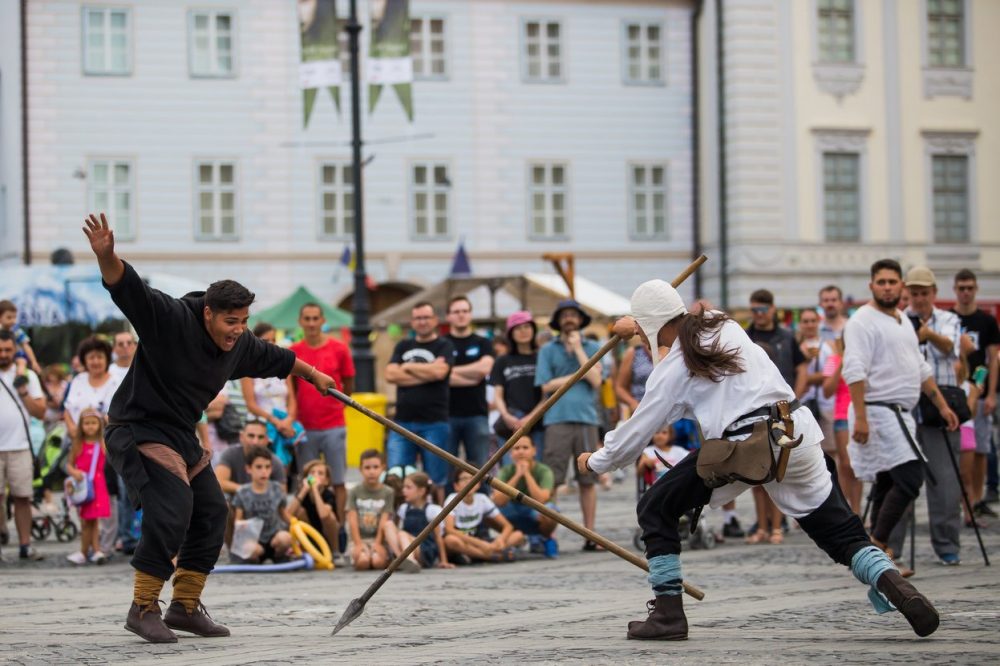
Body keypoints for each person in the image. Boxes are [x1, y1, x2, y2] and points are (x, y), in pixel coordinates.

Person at [579, 278, 941, 641]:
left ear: (651, 326)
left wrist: (595, 461)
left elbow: (636, 432)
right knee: (841, 533)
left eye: (643, 333)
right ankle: (898, 587)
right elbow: (687, 321)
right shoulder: (724, 324)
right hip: (795, 432)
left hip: (745, 447)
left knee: (656, 507)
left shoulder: (673, 370)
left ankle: (668, 614)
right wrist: (637, 324)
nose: (642, 341)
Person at [82, 212, 338, 643]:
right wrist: (108, 256)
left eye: (243, 321)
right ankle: (143, 607)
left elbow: (278, 358)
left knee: (212, 511)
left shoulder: (240, 344)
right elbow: (129, 289)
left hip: (180, 434)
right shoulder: (171, 318)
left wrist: (315, 376)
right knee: (172, 506)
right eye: (230, 322)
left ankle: (184, 606)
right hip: (136, 426)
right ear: (207, 314)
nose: (237, 331)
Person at [842, 259, 959, 571]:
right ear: (872, 285)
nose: (887, 287)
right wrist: (863, 417)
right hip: (878, 411)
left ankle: (878, 556)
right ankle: (878, 546)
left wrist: (942, 405)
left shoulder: (903, 321)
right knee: (910, 477)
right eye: (881, 282)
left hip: (901, 413)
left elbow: (920, 369)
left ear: (900, 286)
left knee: (885, 484)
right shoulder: (861, 321)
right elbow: (853, 369)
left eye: (892, 282)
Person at [891, 266, 963, 565]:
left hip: (940, 406)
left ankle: (946, 543)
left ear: (934, 293)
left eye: (924, 293)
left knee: (945, 481)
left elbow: (951, 348)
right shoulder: (896, 320)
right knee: (898, 478)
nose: (919, 299)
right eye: (915, 293)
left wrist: (926, 332)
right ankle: (890, 544)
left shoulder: (949, 319)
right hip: (905, 406)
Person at [535, 299, 602, 548]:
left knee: (588, 479)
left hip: (586, 418)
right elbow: (545, 385)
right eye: (565, 315)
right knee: (553, 479)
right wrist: (577, 375)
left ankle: (590, 535)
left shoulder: (593, 346)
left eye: (573, 314)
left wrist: (579, 352)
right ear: (558, 320)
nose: (569, 319)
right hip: (557, 418)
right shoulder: (547, 350)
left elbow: (596, 380)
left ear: (580, 319)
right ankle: (548, 533)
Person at [746, 290, 808, 545]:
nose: (758, 315)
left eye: (762, 310)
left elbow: (801, 369)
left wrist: (794, 401)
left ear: (772, 309)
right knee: (756, 473)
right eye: (754, 310)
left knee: (778, 471)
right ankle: (761, 526)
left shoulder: (786, 337)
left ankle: (777, 527)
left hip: (783, 409)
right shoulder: (745, 337)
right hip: (753, 411)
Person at [385, 302, 454, 503]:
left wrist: (406, 367)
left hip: (434, 422)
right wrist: (428, 372)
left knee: (436, 479)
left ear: (434, 320)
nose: (422, 322)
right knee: (397, 477)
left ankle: (438, 521)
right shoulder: (403, 345)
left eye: (426, 317)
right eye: (418, 318)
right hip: (402, 423)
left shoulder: (444, 345)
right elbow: (390, 374)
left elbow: (441, 372)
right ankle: (400, 522)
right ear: (412, 322)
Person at [291, 304, 354, 523]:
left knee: (337, 479)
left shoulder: (339, 348)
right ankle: (309, 525)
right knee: (307, 481)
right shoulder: (294, 350)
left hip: (334, 424)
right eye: (306, 318)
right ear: (300, 321)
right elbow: (292, 389)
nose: (311, 323)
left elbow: (348, 381)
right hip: (305, 425)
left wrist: (338, 406)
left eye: (315, 318)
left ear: (322, 320)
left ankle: (339, 527)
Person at [950, 269, 999, 515]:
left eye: (970, 287)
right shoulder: (949, 319)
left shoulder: (987, 321)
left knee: (981, 449)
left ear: (976, 289)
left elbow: (993, 359)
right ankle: (963, 500)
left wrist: (991, 394)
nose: (966, 292)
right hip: (953, 392)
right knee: (957, 453)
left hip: (978, 391)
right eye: (962, 288)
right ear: (955, 290)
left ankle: (976, 498)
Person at [0, 329, 46, 561]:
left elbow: (40, 411)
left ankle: (25, 545)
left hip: (19, 445)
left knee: (22, 497)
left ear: (15, 350)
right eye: (0, 350)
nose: (4, 354)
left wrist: (23, 390)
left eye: (8, 350)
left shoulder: (27, 375)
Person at [242, 322, 302, 471]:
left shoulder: (283, 367)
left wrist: (288, 420)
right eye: (266, 341)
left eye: (274, 340)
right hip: (261, 425)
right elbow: (251, 404)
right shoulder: (248, 368)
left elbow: (292, 399)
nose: (271, 344)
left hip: (284, 423)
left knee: (283, 469)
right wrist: (275, 421)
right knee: (261, 467)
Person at [445, 296, 494, 472]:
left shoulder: (483, 342)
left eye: (465, 311)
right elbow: (440, 375)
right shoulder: (442, 344)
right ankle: (451, 500)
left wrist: (451, 371)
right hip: (447, 414)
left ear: (471, 315)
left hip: (477, 414)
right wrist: (472, 377)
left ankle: (482, 499)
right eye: (456, 312)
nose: (461, 315)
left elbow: (485, 368)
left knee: (480, 468)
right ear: (448, 316)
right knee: (448, 468)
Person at [492, 436, 559, 558]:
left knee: (550, 511)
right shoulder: (505, 471)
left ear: (534, 450)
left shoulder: (544, 470)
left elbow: (541, 500)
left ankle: (546, 538)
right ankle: (514, 538)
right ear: (511, 453)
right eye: (516, 448)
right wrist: (517, 475)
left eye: (525, 447)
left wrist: (527, 474)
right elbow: (498, 500)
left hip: (535, 513)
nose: (521, 451)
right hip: (512, 512)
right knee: (488, 510)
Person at [490, 311, 544, 457]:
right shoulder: (502, 360)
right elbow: (498, 394)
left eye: (527, 326)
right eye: (518, 328)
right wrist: (506, 415)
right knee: (511, 469)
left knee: (536, 467)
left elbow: (547, 394)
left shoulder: (542, 357)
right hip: (512, 424)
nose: (523, 331)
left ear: (533, 329)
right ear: (511, 333)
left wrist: (531, 417)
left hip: (538, 423)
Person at [443, 467, 524, 563]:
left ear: (478, 484)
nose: (468, 482)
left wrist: (500, 540)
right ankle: (491, 556)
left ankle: (478, 555)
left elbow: (508, 526)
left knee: (518, 535)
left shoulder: (482, 499)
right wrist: (481, 544)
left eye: (472, 478)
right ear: (456, 485)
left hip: (479, 538)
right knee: (450, 540)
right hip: (464, 540)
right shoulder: (452, 499)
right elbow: (449, 530)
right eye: (464, 479)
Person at [231, 447, 294, 564]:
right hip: (254, 539)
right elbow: (238, 521)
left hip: (275, 537)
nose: (264, 471)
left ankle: (279, 556)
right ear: (248, 469)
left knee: (285, 538)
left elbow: (284, 514)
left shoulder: (277, 489)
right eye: (259, 467)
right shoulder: (242, 492)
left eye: (267, 467)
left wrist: (297, 526)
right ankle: (255, 561)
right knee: (250, 549)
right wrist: (242, 525)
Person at [65, 408, 111, 565]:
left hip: (97, 486)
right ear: (81, 425)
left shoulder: (102, 443)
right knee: (86, 521)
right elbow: (69, 464)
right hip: (84, 487)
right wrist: (74, 472)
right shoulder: (78, 444)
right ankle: (87, 551)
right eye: (86, 423)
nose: (90, 426)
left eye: (93, 423)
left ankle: (93, 551)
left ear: (99, 425)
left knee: (94, 521)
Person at [822, 337, 861, 513]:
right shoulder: (833, 360)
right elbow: (827, 390)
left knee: (856, 464)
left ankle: (857, 510)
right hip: (841, 415)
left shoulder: (861, 359)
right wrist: (841, 363)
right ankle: (846, 509)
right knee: (845, 463)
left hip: (859, 414)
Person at [389, 471, 453, 570]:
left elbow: (438, 537)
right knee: (389, 525)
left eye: (408, 487)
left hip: (425, 549)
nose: (404, 490)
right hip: (407, 543)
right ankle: (402, 558)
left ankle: (408, 560)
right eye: (404, 487)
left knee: (402, 534)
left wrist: (443, 560)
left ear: (422, 491)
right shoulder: (404, 508)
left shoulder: (432, 510)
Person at [345, 449, 396, 571]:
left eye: (375, 467)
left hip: (378, 538)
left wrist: (378, 543)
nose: (371, 472)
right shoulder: (354, 491)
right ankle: (362, 554)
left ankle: (383, 557)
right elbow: (352, 519)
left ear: (382, 468)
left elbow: (385, 519)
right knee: (363, 561)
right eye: (367, 468)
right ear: (360, 469)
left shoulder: (388, 492)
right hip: (359, 538)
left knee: (377, 562)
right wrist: (358, 544)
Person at [63, 336, 121, 438]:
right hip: (78, 443)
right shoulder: (78, 380)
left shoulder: (117, 382)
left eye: (99, 357)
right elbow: (67, 410)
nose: (95, 361)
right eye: (91, 357)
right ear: (84, 360)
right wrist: (73, 430)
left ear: (107, 359)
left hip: (108, 443)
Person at [287, 459, 340, 563]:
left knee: (331, 516)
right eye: (312, 473)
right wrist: (304, 490)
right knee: (299, 512)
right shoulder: (303, 493)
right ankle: (306, 549)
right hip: (310, 536)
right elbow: (288, 514)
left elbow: (324, 515)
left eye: (320, 473)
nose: (315, 476)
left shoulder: (329, 495)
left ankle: (335, 552)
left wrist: (315, 490)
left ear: (326, 480)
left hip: (327, 536)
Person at [215, 420, 287, 498]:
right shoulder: (230, 453)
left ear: (267, 440)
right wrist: (249, 490)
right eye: (251, 436)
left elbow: (282, 492)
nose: (255, 441)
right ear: (241, 437)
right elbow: (219, 482)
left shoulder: (275, 461)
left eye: (260, 437)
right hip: (234, 504)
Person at [0, 300, 41, 376]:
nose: (13, 321)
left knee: (21, 363)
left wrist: (33, 361)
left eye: (14, 317)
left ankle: (19, 380)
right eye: (9, 317)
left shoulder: (16, 330)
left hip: (17, 357)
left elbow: (26, 346)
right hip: (3, 359)